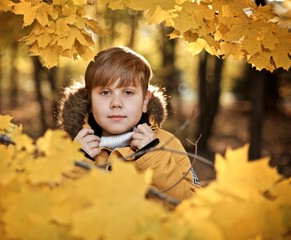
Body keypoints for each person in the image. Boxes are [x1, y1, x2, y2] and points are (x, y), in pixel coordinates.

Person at [53, 46, 200, 201]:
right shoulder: (67, 146)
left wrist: (153, 156)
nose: (116, 103)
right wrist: (77, 161)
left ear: (145, 101)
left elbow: (192, 206)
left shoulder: (168, 144)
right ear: (89, 101)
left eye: (128, 92)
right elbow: (48, 210)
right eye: (105, 92)